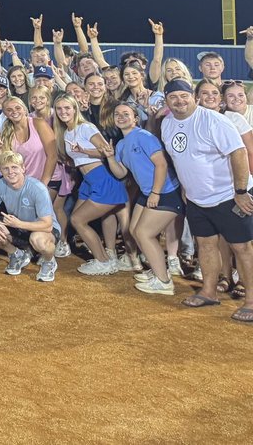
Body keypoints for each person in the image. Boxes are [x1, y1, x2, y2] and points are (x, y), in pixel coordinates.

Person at [159, 79, 253, 321]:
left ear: (194, 96)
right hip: (197, 200)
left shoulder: (214, 121)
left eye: (184, 96)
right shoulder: (167, 123)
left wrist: (241, 191)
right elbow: (181, 159)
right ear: (166, 100)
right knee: (206, 245)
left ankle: (251, 301)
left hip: (227, 196)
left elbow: (239, 152)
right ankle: (209, 291)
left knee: (242, 248)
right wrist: (186, 188)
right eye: (173, 97)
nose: (179, 101)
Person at [99, 102, 184, 296]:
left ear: (135, 118)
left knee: (144, 233)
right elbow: (121, 173)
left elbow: (161, 165)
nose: (121, 116)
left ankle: (164, 281)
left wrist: (155, 193)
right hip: (148, 192)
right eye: (117, 114)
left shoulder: (144, 137)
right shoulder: (120, 144)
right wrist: (111, 158)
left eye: (126, 114)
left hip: (165, 191)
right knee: (134, 230)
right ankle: (157, 270)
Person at [53, 94, 132, 276]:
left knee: (77, 220)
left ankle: (103, 262)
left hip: (102, 179)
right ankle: (106, 257)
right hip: (88, 181)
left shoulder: (85, 127)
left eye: (67, 108)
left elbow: (105, 151)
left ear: (75, 109)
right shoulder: (66, 132)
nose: (63, 112)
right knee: (78, 217)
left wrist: (84, 150)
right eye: (59, 109)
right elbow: (78, 160)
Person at [0, 151, 59, 282]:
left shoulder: (37, 188)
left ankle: (49, 261)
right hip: (17, 226)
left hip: (42, 230)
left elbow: (47, 224)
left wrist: (19, 224)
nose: (10, 172)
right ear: (0, 171)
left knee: (38, 239)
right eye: (6, 168)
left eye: (14, 167)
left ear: (23, 168)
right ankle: (16, 254)